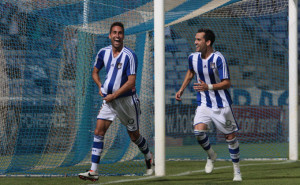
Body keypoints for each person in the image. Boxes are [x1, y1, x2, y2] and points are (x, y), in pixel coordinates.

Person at [78, 22, 154, 182]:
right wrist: (101, 86)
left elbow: (131, 82)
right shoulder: (103, 52)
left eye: (120, 33)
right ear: (109, 35)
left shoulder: (130, 55)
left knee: (134, 136)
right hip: (109, 101)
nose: (117, 36)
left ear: (123, 36)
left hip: (127, 102)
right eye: (114, 33)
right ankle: (94, 171)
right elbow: (95, 72)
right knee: (98, 132)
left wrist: (114, 95)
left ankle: (148, 155)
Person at [175, 28, 242, 181]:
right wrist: (182, 89)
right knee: (198, 132)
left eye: (198, 40)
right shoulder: (193, 57)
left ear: (208, 42)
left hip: (221, 104)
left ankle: (237, 171)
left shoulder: (219, 59)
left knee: (230, 137)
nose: (195, 42)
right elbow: (191, 72)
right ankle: (211, 155)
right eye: (195, 39)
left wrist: (209, 87)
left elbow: (227, 83)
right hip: (204, 102)